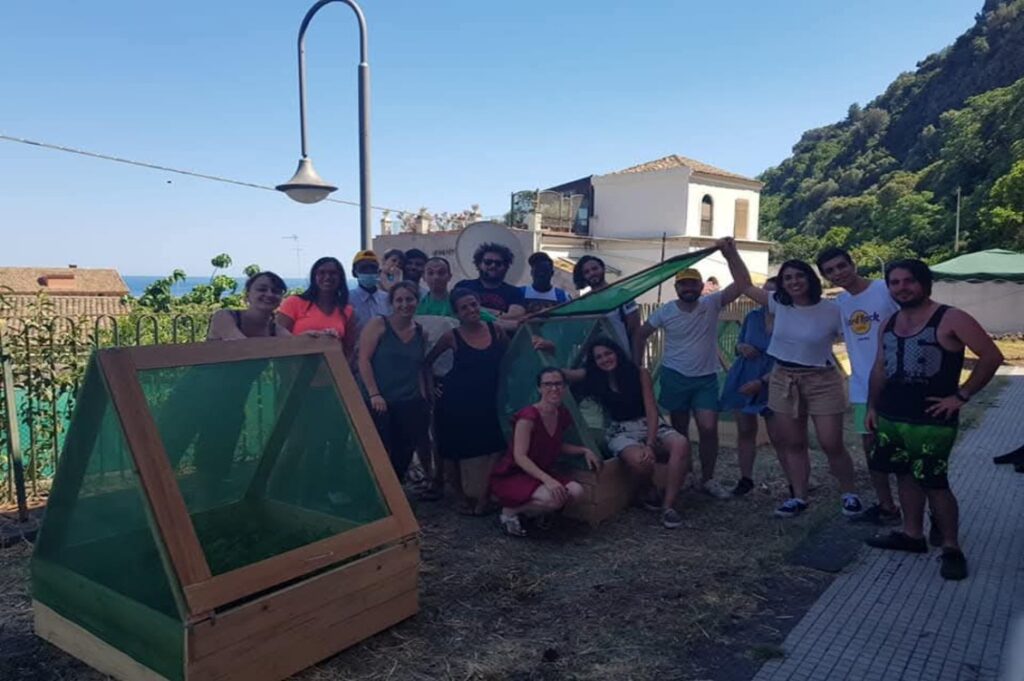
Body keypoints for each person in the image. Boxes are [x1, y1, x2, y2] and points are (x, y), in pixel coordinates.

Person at [865, 260, 1003, 581]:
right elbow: (880, 368)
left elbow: (992, 356)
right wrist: (873, 407)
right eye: (895, 282)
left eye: (908, 281)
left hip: (932, 419)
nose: (902, 287)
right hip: (891, 415)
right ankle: (912, 534)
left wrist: (962, 395)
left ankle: (951, 547)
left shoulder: (950, 317)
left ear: (924, 284)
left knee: (934, 482)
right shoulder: (888, 322)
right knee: (903, 474)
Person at [633, 237, 752, 500]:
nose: (688, 288)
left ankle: (708, 478)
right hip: (675, 375)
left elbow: (743, 284)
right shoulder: (665, 311)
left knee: (709, 428)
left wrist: (730, 254)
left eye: (693, 283)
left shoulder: (712, 304)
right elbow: (641, 334)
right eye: (684, 284)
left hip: (706, 377)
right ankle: (684, 475)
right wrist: (638, 366)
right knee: (680, 431)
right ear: (677, 287)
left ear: (700, 286)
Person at [744, 259, 863, 519]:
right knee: (793, 442)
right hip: (783, 378)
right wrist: (730, 254)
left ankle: (849, 493)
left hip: (822, 379)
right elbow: (744, 284)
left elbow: (857, 337)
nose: (794, 282)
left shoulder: (832, 310)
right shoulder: (779, 304)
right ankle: (799, 497)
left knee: (831, 442)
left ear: (810, 278)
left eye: (799, 276)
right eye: (787, 278)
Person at [564, 338, 691, 529]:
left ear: (617, 352)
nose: (605, 359)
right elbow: (563, 374)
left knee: (681, 443)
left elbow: (651, 410)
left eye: (608, 353)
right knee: (641, 462)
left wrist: (650, 442)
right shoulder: (593, 376)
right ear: (594, 362)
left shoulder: (639, 373)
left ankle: (668, 507)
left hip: (645, 423)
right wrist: (547, 349)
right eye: (599, 357)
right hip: (620, 430)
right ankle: (647, 488)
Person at [817, 247, 902, 525]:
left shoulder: (885, 289)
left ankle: (927, 512)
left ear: (853, 264)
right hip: (862, 388)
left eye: (841, 266)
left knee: (906, 452)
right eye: (830, 271)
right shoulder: (840, 304)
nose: (838, 273)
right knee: (872, 450)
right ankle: (886, 505)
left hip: (899, 383)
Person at [425, 288, 512, 515]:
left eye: (473, 304)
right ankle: (460, 498)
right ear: (457, 313)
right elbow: (427, 362)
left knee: (496, 446)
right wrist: (432, 388)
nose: (471, 310)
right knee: (452, 450)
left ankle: (484, 497)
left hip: (489, 401)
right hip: (456, 403)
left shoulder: (497, 331)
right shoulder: (451, 336)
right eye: (464, 308)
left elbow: (512, 357)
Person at [490, 367, 600, 537]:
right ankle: (510, 511)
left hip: (540, 472)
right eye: (548, 384)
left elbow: (554, 443)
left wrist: (583, 450)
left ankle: (535, 514)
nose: (554, 388)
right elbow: (520, 456)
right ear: (539, 388)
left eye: (558, 384)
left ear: (564, 387)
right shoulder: (528, 417)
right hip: (517, 473)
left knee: (576, 492)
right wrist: (548, 480)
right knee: (554, 498)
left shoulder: (561, 414)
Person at [357, 281, 431, 480]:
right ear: (392, 303)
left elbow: (420, 367)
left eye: (409, 299)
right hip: (380, 400)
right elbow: (363, 359)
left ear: (417, 301)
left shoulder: (420, 332)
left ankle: (396, 496)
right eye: (399, 300)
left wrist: (424, 398)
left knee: (404, 452)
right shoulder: (378, 325)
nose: (404, 304)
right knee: (377, 451)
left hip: (409, 400)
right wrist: (374, 393)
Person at [719, 277, 783, 496]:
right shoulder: (752, 316)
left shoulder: (790, 319)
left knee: (779, 435)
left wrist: (763, 381)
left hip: (775, 379)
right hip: (745, 375)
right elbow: (738, 344)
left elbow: (788, 359)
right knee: (745, 430)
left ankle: (796, 481)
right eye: (764, 291)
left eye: (772, 292)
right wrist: (742, 347)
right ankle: (745, 479)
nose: (766, 296)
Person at [276, 257, 355, 357]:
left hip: (332, 369)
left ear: (341, 278)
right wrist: (302, 339)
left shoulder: (347, 310)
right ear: (314, 277)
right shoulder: (294, 303)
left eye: (333, 273)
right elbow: (278, 341)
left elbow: (348, 348)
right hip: (296, 367)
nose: (327, 277)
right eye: (321, 273)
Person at [573, 255, 640, 357]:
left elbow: (635, 330)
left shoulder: (621, 294)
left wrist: (637, 363)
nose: (592, 273)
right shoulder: (583, 302)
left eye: (595, 268)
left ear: (603, 269)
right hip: (594, 360)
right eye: (586, 272)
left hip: (621, 357)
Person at [209, 271, 291, 340]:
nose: (269, 294)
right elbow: (240, 345)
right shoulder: (225, 316)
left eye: (275, 291)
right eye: (262, 289)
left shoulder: (278, 331)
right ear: (247, 295)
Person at [453, 242, 526, 318]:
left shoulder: (514, 292)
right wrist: (500, 314)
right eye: (488, 262)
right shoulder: (463, 286)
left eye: (498, 263)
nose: (493, 266)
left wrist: (477, 311)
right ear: (479, 264)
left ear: (505, 267)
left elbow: (515, 317)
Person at [349, 250, 391, 344]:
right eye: (364, 268)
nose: (369, 271)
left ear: (378, 272)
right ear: (354, 272)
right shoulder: (347, 299)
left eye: (373, 268)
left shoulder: (387, 299)